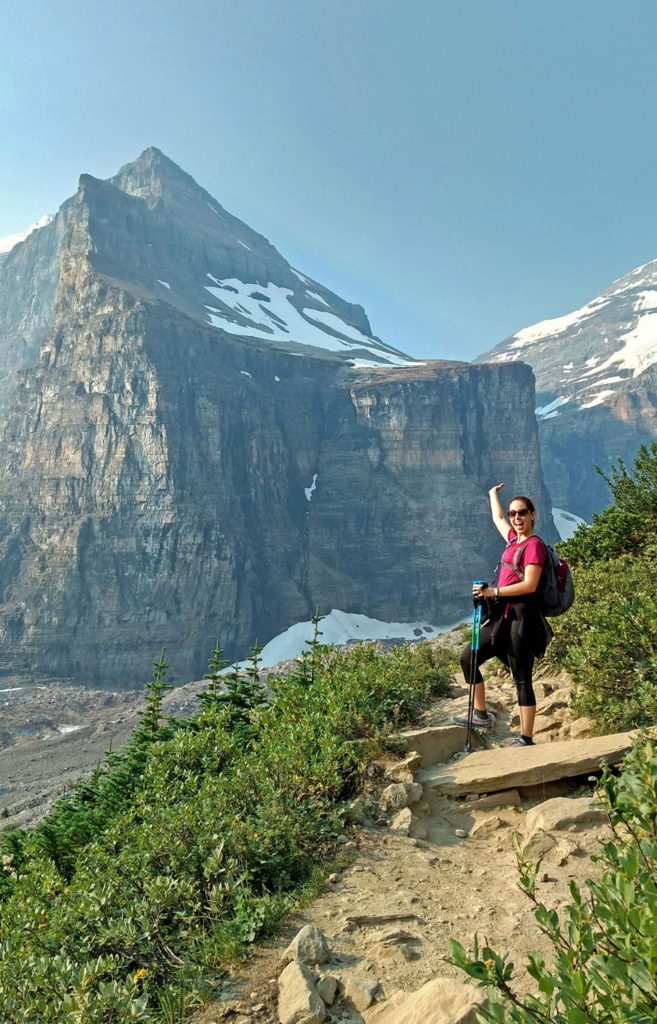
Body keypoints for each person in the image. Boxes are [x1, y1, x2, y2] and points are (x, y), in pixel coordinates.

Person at [454, 483, 552, 747]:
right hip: (501, 617)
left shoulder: (534, 546)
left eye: (522, 513)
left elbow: (530, 584)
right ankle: (481, 715)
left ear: (533, 514)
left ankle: (526, 738)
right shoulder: (513, 540)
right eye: (513, 514)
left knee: (521, 676)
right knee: (469, 657)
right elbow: (497, 519)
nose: (516, 518)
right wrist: (492, 495)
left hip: (522, 618)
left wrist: (493, 591)